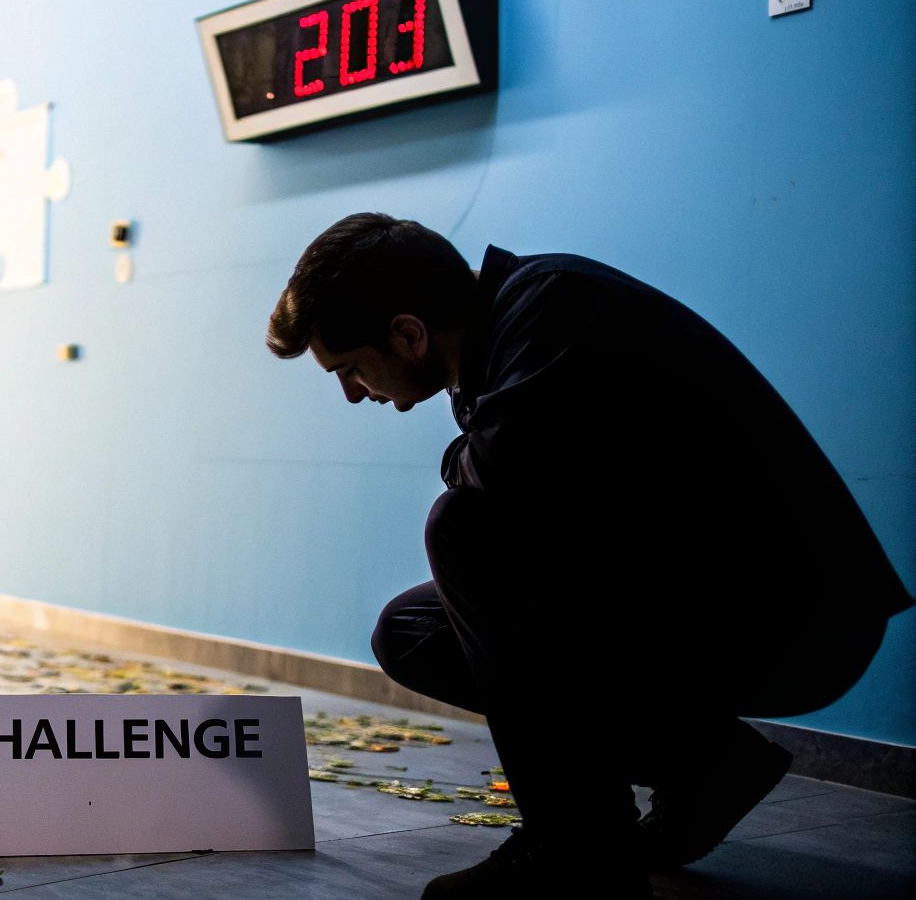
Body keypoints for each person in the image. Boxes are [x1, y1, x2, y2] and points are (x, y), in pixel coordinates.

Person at [267, 213, 911, 899]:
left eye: (349, 369)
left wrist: (476, 457)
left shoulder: (555, 304)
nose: (351, 393)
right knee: (413, 631)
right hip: (703, 592)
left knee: (464, 528)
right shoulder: (511, 330)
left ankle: (575, 845)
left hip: (789, 619)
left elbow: (497, 475)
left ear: (407, 334)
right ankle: (708, 763)